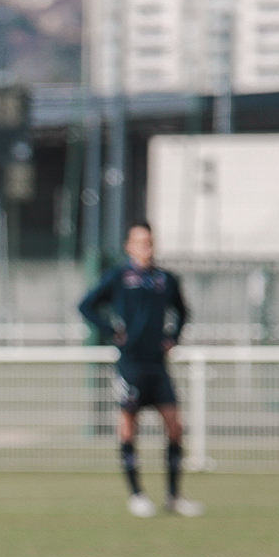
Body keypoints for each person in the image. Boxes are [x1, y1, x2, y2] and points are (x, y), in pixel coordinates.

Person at [78, 222, 203, 518]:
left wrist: (173, 336)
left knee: (175, 425)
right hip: (130, 363)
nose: (145, 247)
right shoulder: (119, 277)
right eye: (139, 242)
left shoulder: (164, 279)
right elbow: (86, 305)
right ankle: (136, 494)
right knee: (127, 425)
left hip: (158, 365)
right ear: (128, 246)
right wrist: (111, 330)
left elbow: (182, 311)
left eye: (149, 241)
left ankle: (173, 495)